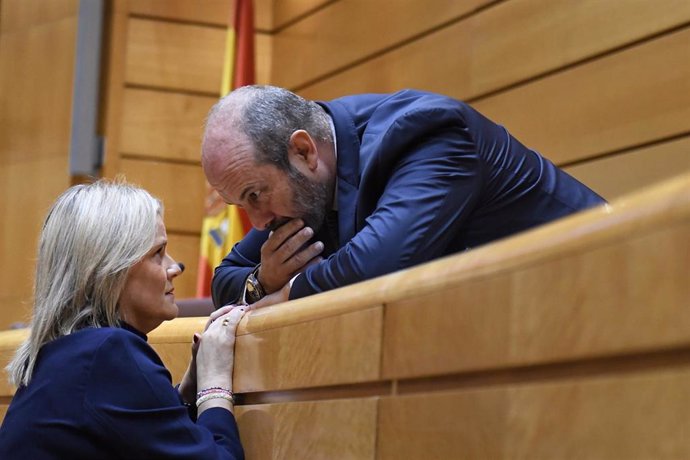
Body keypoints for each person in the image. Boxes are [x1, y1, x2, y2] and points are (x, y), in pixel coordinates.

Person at [201, 85, 605, 308]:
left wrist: (288, 293)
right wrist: (262, 281)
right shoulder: (304, 186)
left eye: (255, 195)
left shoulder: (427, 132)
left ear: (304, 151)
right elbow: (226, 276)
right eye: (242, 203)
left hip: (602, 290)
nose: (256, 221)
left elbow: (379, 262)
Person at [0, 180, 245, 459]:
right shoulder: (108, 352)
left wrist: (186, 396)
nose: (174, 267)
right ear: (111, 268)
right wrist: (215, 384)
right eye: (158, 253)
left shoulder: (67, 353)